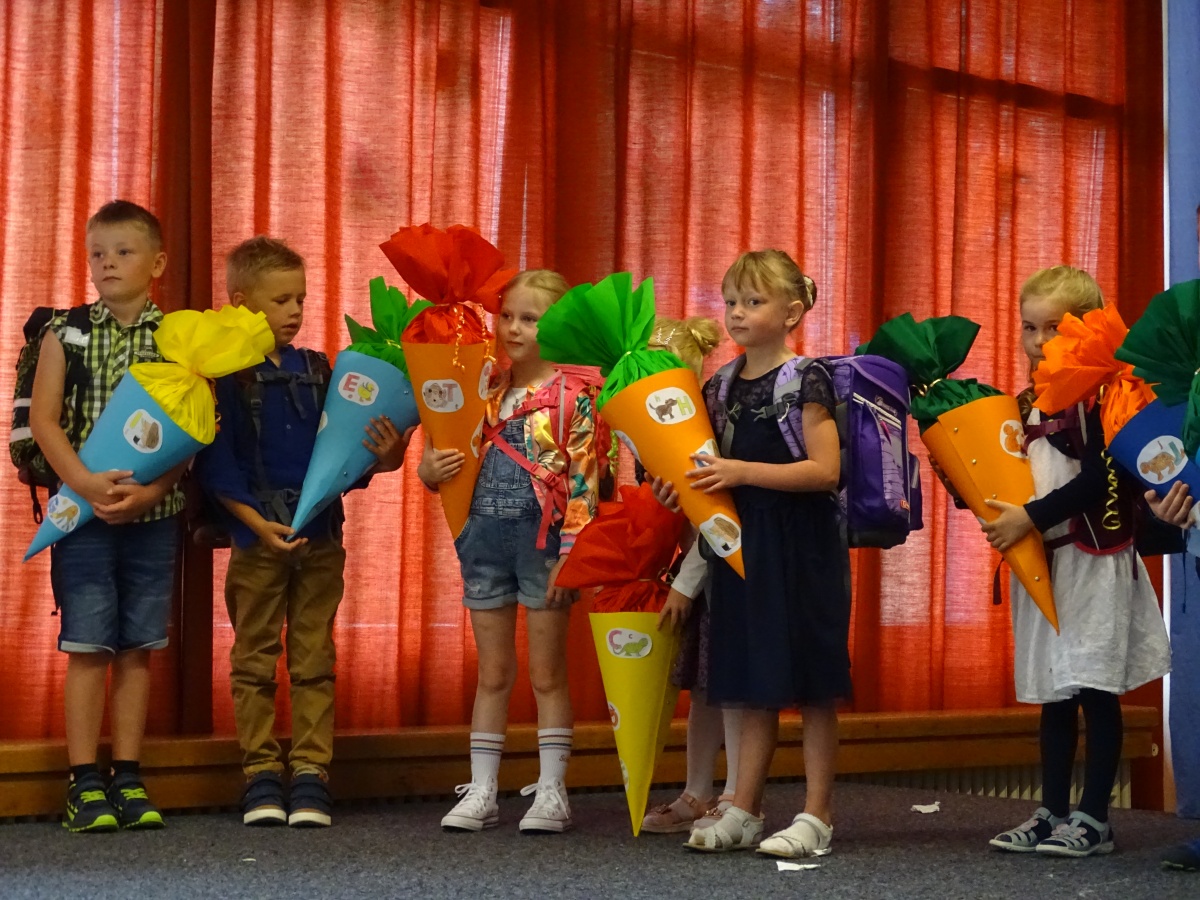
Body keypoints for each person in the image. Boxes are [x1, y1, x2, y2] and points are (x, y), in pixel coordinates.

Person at [195, 236, 411, 828]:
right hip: (256, 542)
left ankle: (313, 772)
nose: (294, 311)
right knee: (254, 660)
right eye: (281, 300)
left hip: (320, 538)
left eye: (301, 299)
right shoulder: (224, 377)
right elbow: (216, 465)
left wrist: (389, 454)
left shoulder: (321, 371)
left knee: (315, 658)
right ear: (241, 302)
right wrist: (255, 525)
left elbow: (350, 457)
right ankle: (261, 774)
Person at [980, 266, 1171, 857]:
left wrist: (1029, 518)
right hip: (1046, 562)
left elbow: (1101, 478)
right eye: (1029, 328)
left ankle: (1095, 818)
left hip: (1094, 558)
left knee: (1094, 687)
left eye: (1055, 328)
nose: (1040, 342)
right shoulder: (1025, 404)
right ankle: (1052, 811)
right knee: (1055, 692)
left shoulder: (1105, 395)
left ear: (1088, 328)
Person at [665, 250, 849, 857]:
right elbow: (703, 468)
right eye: (731, 301)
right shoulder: (719, 385)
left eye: (753, 301)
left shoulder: (808, 379)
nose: (737, 313)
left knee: (814, 682)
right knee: (752, 677)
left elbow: (825, 471)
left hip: (803, 546)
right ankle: (744, 807)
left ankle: (817, 814)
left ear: (792, 313)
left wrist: (740, 470)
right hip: (742, 545)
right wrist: (680, 486)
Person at [420, 269, 600, 835]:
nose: (514, 328)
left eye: (530, 319)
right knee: (493, 672)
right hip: (483, 544)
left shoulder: (575, 397)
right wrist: (429, 470)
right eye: (507, 316)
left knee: (547, 674)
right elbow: (447, 456)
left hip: (544, 548)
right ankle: (483, 789)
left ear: (559, 326)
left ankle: (552, 790)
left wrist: (573, 555)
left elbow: (585, 484)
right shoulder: (483, 388)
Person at [29, 200, 186, 832]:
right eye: (98, 253)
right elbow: (44, 420)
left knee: (138, 646)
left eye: (123, 252)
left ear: (158, 263)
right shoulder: (64, 332)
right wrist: (86, 483)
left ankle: (128, 774)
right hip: (81, 515)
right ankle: (83, 782)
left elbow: (193, 431)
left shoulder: (176, 338)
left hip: (155, 514)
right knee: (89, 643)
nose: (108, 263)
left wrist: (153, 492)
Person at [631, 315, 747, 835]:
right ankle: (696, 792)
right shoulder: (650, 430)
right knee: (702, 688)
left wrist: (683, 584)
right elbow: (679, 510)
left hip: (727, 569)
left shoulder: (710, 424)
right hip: (698, 573)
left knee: (732, 686)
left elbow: (716, 516)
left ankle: (736, 794)